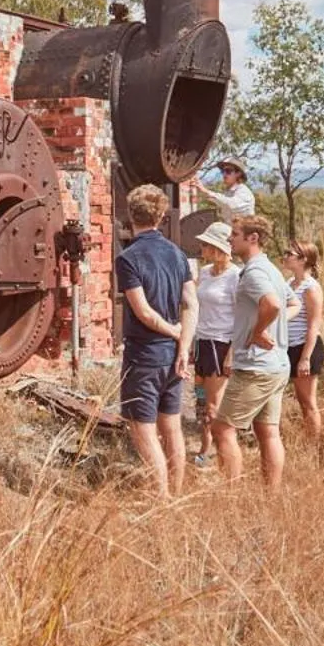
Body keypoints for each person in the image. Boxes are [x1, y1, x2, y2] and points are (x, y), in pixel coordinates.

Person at [115, 185, 196, 498]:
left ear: (129, 215)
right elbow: (191, 303)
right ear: (161, 216)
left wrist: (174, 333)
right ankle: (175, 496)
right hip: (174, 356)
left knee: (143, 430)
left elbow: (144, 313)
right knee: (172, 428)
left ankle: (160, 502)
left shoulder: (128, 258)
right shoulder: (177, 253)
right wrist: (184, 345)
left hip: (144, 357)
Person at [208, 215, 292, 488]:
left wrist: (256, 332)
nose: (229, 239)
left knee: (222, 429)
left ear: (252, 238)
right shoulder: (271, 270)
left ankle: (230, 495)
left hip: (257, 366)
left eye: (234, 234)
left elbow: (273, 305)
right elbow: (288, 303)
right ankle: (272, 495)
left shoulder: (255, 272)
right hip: (276, 364)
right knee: (268, 431)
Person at [188, 221, 238, 468]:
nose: (201, 248)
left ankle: (220, 452)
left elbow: (243, 317)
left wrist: (232, 354)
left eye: (205, 244)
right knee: (199, 399)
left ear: (218, 247)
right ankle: (204, 448)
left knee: (213, 404)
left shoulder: (235, 276)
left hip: (221, 344)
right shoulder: (205, 272)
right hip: (202, 343)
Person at [280, 239, 324, 460]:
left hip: (304, 348)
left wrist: (305, 359)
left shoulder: (311, 287)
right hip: (287, 347)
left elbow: (313, 326)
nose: (286, 256)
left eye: (290, 253)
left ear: (303, 259)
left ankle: (313, 448)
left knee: (307, 402)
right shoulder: (289, 283)